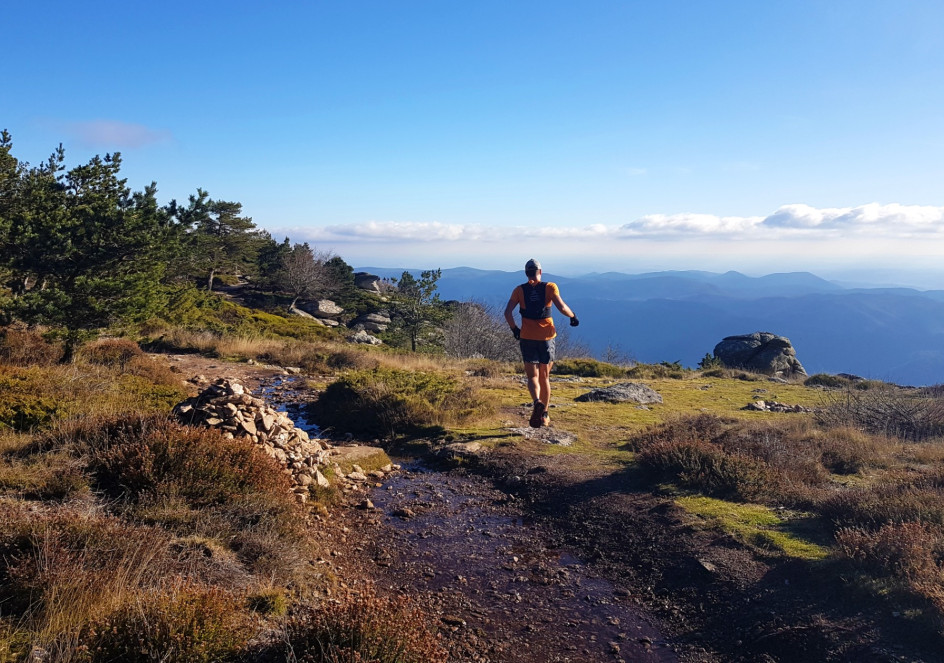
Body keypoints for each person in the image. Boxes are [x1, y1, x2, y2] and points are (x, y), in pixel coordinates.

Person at [504, 258, 579, 428]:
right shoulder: (550, 287)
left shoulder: (519, 290)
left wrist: (515, 329)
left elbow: (507, 312)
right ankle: (544, 414)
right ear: (540, 272)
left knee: (532, 376)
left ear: (526, 273)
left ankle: (536, 401)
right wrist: (573, 316)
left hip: (527, 337)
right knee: (544, 376)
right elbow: (561, 307)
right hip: (546, 337)